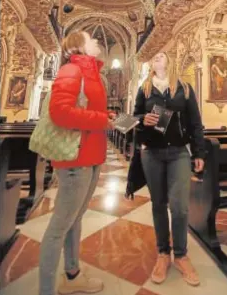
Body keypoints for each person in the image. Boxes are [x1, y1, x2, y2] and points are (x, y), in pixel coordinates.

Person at [39, 30, 115, 295]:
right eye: (91, 38)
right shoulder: (72, 70)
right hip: (75, 159)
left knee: (75, 219)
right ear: (81, 46)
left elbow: (86, 108)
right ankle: (46, 290)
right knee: (59, 226)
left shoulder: (91, 72)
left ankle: (72, 276)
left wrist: (106, 115)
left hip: (90, 156)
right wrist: (101, 119)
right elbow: (60, 112)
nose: (97, 41)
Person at [133, 52, 205, 286]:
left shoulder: (183, 87)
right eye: (154, 57)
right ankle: (163, 254)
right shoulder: (144, 88)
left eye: (161, 55)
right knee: (158, 204)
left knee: (180, 207)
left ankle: (181, 256)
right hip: (151, 153)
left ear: (169, 62)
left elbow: (195, 121)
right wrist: (143, 118)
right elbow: (134, 117)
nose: (156, 58)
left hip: (178, 153)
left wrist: (199, 152)